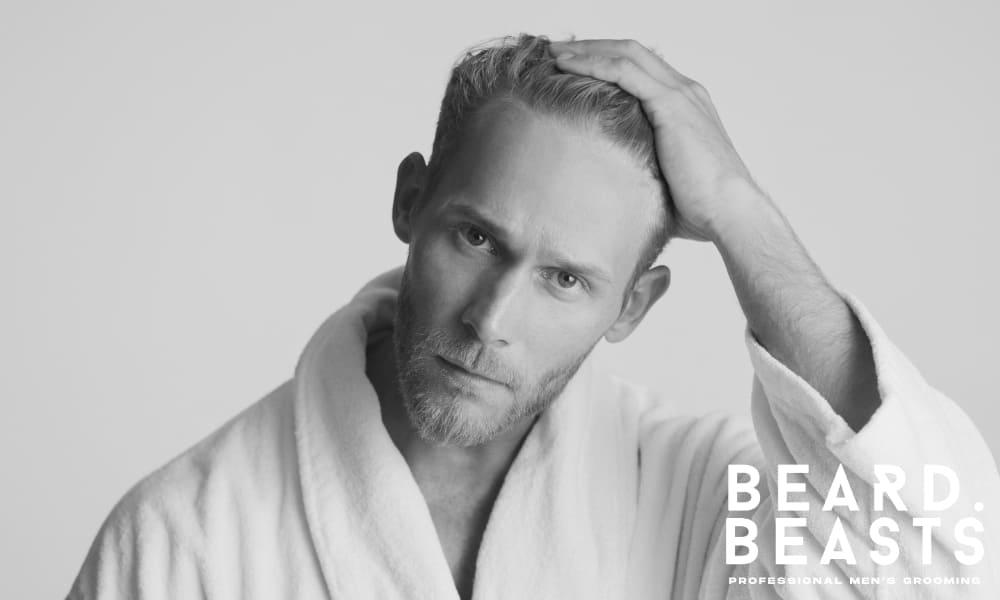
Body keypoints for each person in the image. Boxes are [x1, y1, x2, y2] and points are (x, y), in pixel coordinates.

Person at [67, 34, 999, 599]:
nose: (490, 320)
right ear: (410, 202)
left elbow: (938, 570)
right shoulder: (181, 538)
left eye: (565, 280)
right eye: (475, 239)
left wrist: (742, 213)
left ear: (632, 306)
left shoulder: (698, 495)